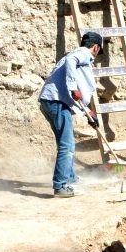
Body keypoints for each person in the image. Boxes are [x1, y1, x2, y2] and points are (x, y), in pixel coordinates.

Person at [39, 31, 102, 197]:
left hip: (53, 101)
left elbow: (73, 95)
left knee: (65, 143)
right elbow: (70, 65)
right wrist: (73, 87)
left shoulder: (77, 57)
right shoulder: (82, 53)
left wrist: (88, 112)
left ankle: (71, 177)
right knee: (67, 145)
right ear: (95, 47)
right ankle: (60, 186)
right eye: (98, 50)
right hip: (55, 102)